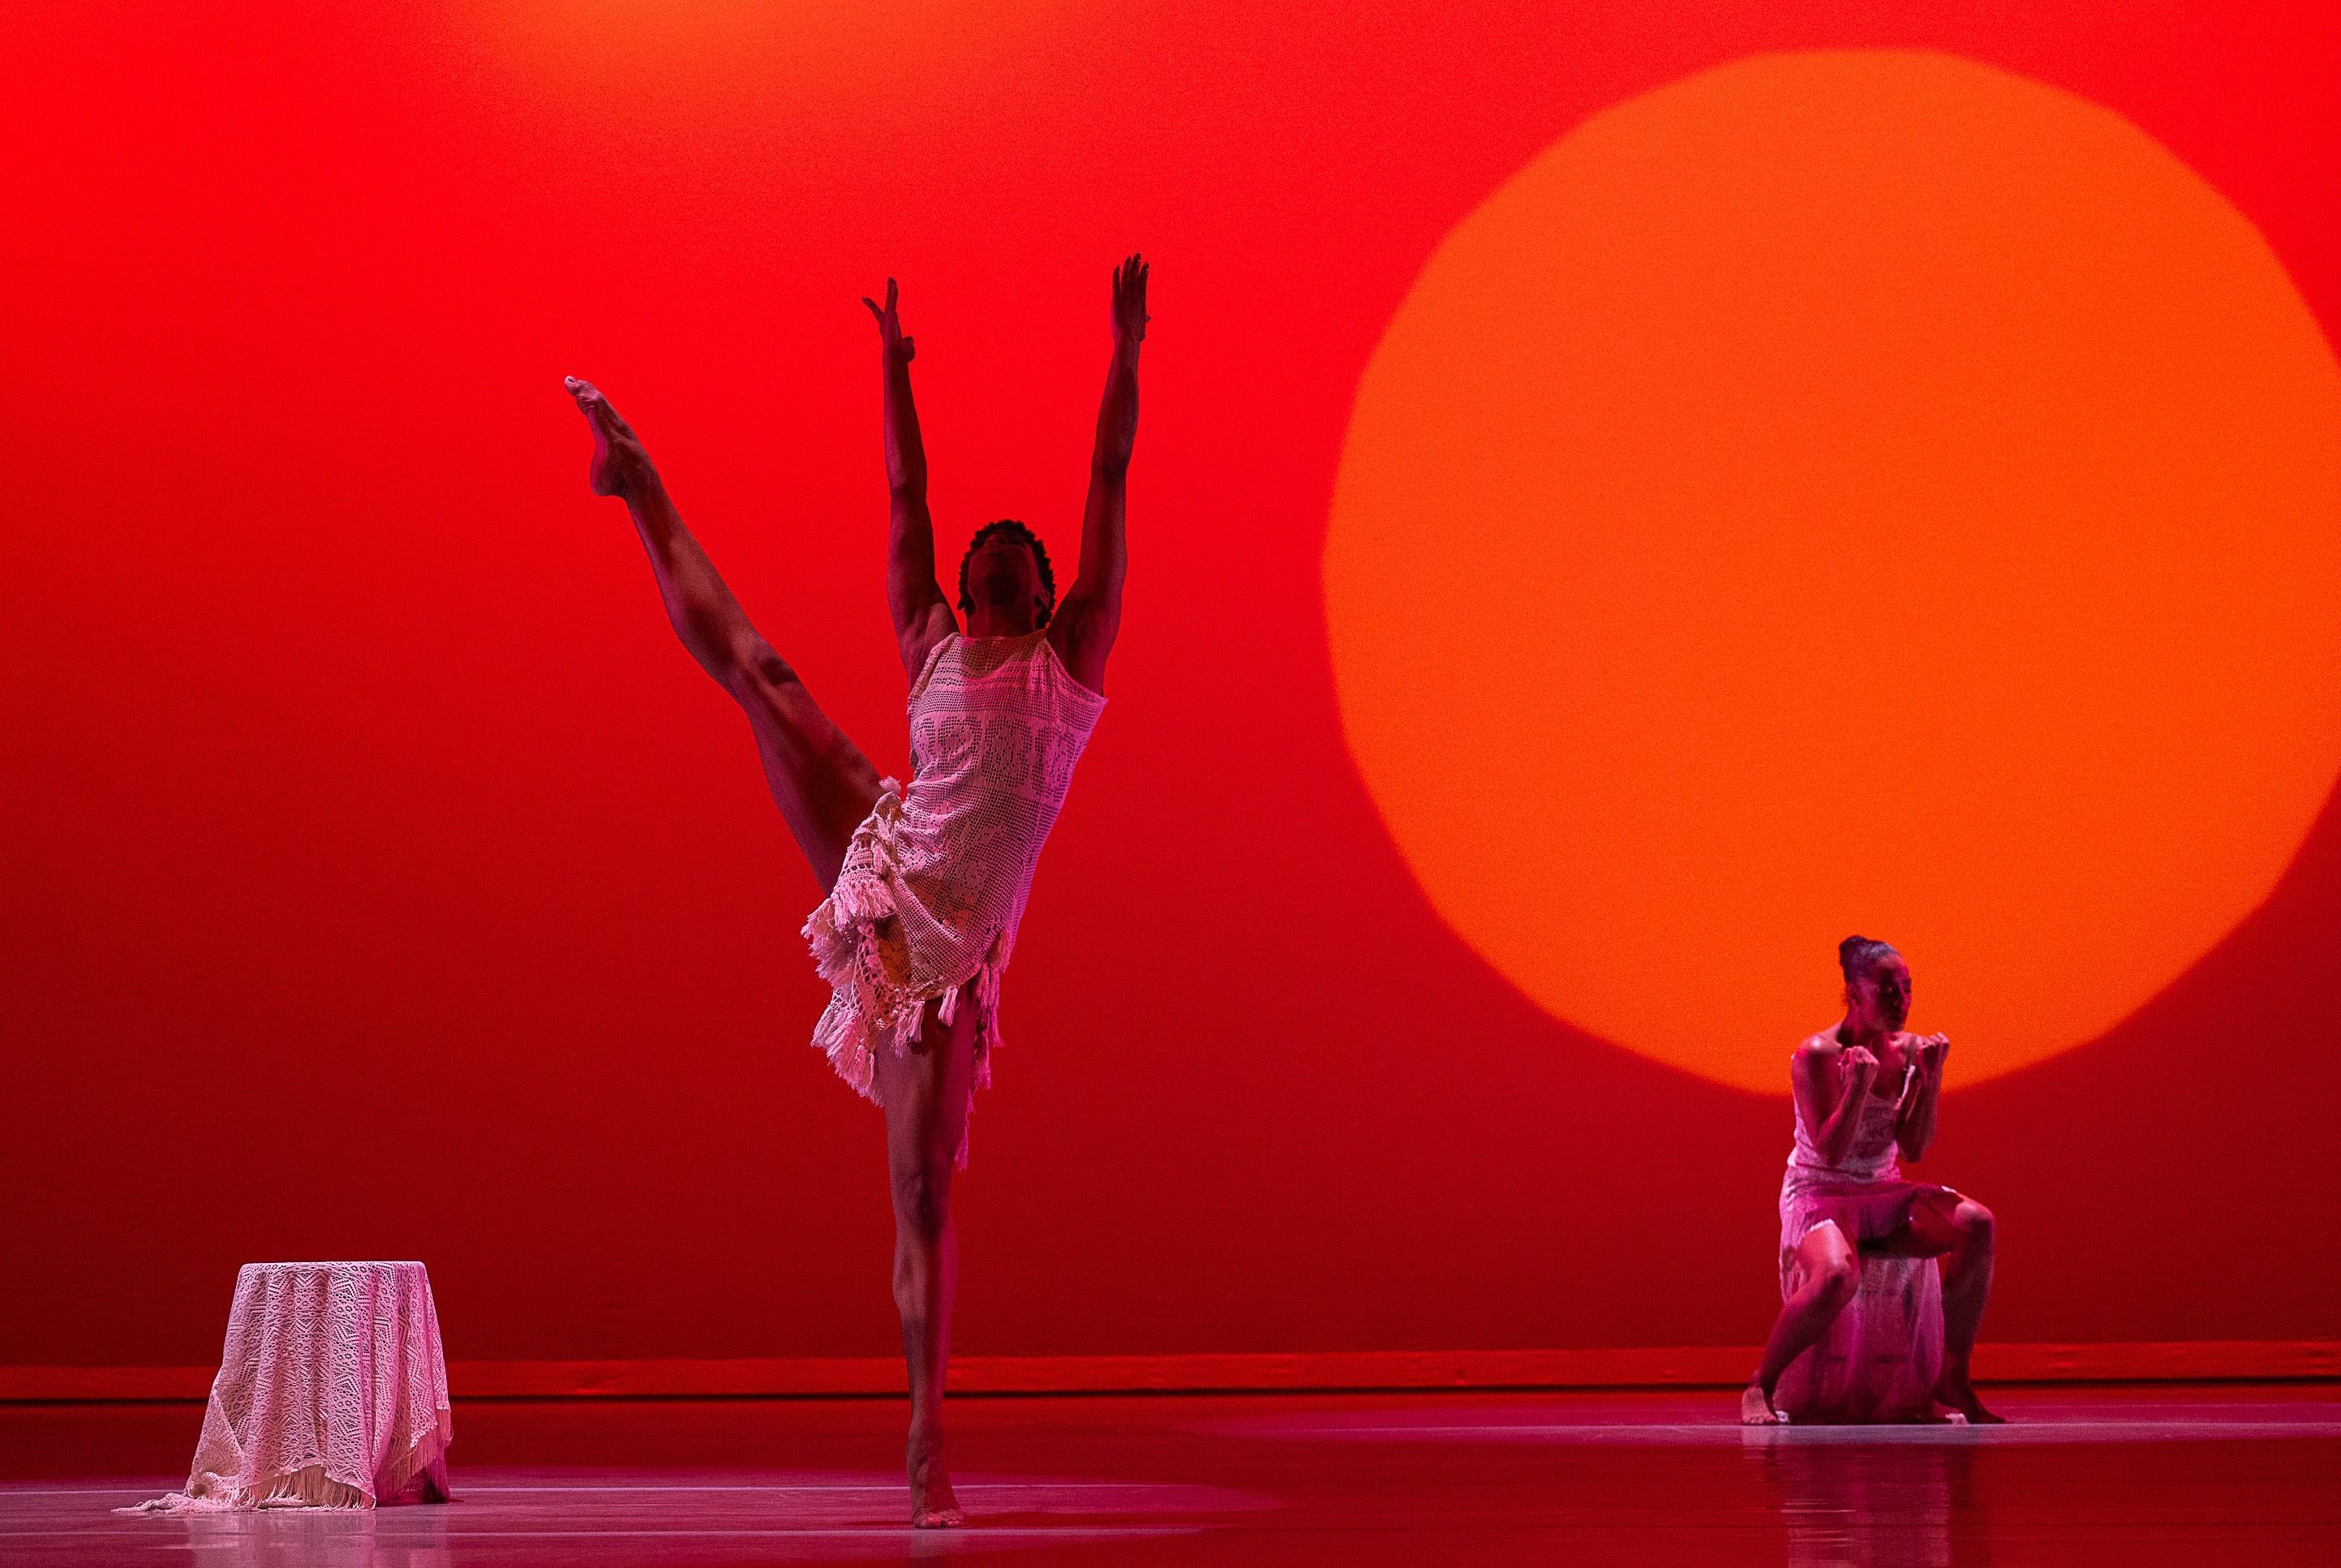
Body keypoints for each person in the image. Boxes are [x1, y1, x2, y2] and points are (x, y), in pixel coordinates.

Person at [563, 254, 1148, 1525]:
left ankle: (925, 1443)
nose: (985, 553)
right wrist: (894, 369)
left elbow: (1105, 482)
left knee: (925, 1195)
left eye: (1010, 553)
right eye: (977, 550)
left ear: (1041, 593)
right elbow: (903, 497)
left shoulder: (1070, 662)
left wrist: (1125, 351)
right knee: (762, 674)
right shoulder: (931, 641)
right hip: (882, 860)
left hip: (942, 970)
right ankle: (639, 485)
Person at [1742, 936, 2001, 1424]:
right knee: (1838, 1276)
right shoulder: (1817, 1054)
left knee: (1976, 1223)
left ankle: (1953, 1376)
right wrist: (1857, 1087)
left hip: (1882, 1191)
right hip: (1820, 1194)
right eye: (1886, 990)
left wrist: (1932, 1078)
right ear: (1854, 993)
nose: (1900, 1001)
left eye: (1906, 989)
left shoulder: (1906, 1051)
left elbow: (1915, 1149)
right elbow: (1831, 1152)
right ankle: (1761, 1383)